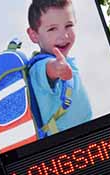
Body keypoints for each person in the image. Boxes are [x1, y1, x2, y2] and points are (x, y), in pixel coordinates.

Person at [26, 0, 92, 136]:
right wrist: (58, 68)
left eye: (68, 25)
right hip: (65, 143)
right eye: (52, 29)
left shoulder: (68, 61)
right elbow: (50, 69)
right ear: (34, 35)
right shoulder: (39, 66)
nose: (64, 35)